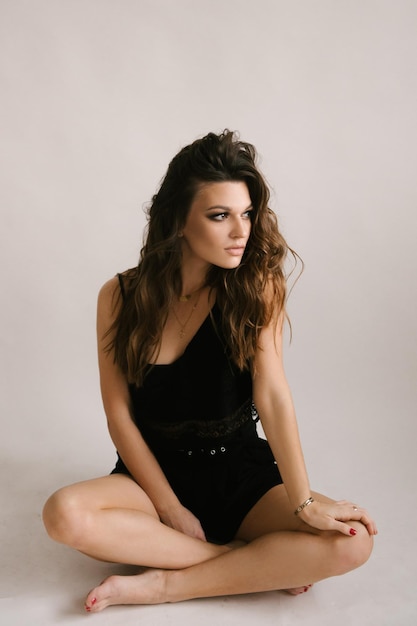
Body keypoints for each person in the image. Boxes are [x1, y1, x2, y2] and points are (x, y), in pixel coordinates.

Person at [43, 130, 377, 612]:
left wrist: (304, 502)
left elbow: (274, 396)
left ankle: (164, 585)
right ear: (179, 220)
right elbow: (119, 416)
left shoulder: (256, 288)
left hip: (240, 473)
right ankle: (235, 560)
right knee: (64, 514)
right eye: (220, 216)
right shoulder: (118, 297)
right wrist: (170, 509)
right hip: (151, 476)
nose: (241, 231)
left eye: (246, 214)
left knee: (353, 541)